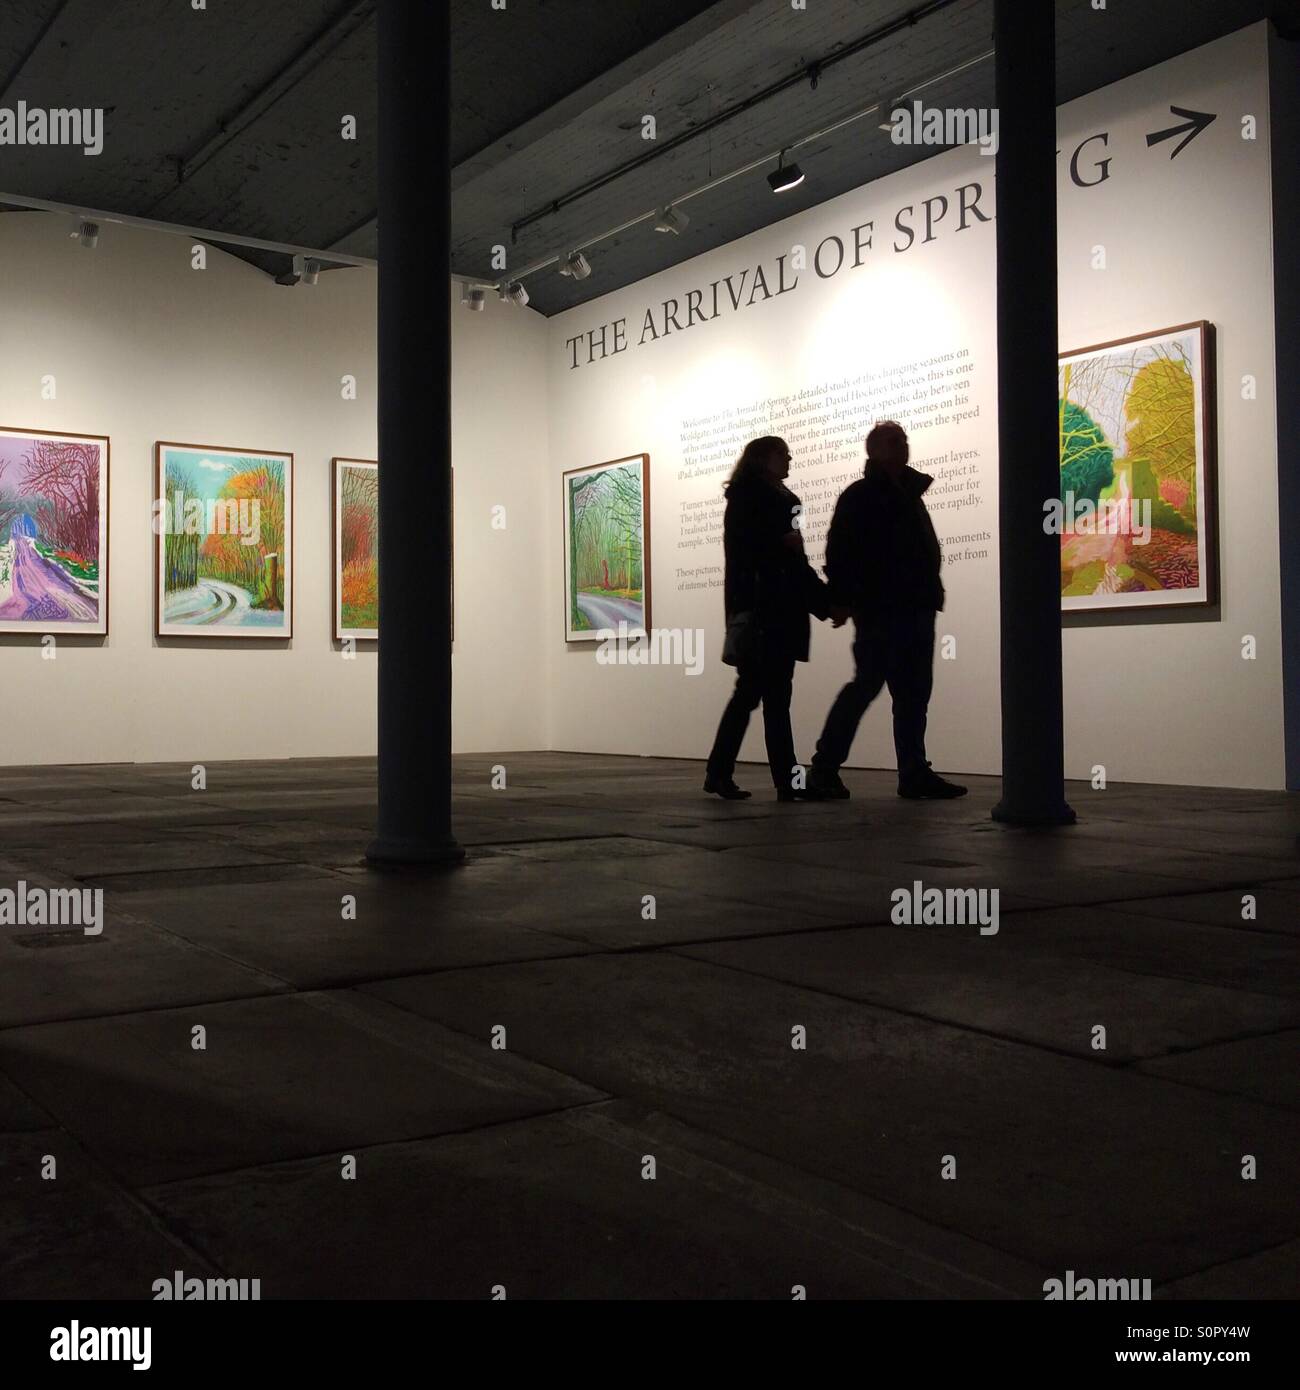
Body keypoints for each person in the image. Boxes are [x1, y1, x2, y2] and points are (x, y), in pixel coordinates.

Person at [808, 420, 967, 800]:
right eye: (894, 442)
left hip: (915, 606)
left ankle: (913, 770)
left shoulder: (908, 494)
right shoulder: (862, 496)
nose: (903, 447)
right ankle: (824, 768)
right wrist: (844, 599)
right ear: (874, 451)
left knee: (913, 693)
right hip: (881, 608)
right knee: (867, 685)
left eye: (904, 440)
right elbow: (841, 551)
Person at [705, 436, 829, 801]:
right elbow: (767, 555)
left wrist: (821, 600)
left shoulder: (781, 500)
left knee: (761, 696)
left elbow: (793, 559)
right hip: (765, 611)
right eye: (782, 453)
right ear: (763, 458)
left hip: (773, 609)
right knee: (766, 697)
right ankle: (776, 781)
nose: (790, 458)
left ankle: (726, 772)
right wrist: (824, 602)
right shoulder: (753, 499)